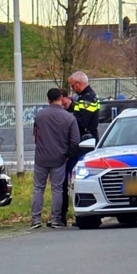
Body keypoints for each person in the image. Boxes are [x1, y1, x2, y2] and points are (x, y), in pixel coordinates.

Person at [31, 88, 80, 229]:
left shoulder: (39, 116)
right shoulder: (69, 118)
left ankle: (35, 219)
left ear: (48, 100)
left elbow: (35, 136)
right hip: (59, 158)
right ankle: (56, 219)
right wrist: (67, 155)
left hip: (41, 157)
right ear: (61, 98)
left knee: (38, 188)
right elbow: (75, 141)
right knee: (57, 189)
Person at [58, 88, 79, 226]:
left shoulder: (76, 110)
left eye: (62, 100)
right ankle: (61, 216)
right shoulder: (59, 113)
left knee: (76, 184)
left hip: (75, 153)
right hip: (63, 154)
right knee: (62, 185)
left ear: (67, 98)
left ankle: (79, 214)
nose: (61, 103)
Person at [67, 70, 101, 143]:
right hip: (86, 138)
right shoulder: (84, 96)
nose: (72, 89)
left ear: (78, 84)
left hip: (87, 139)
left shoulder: (87, 98)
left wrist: (68, 119)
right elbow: (78, 112)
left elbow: (83, 122)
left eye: (72, 86)